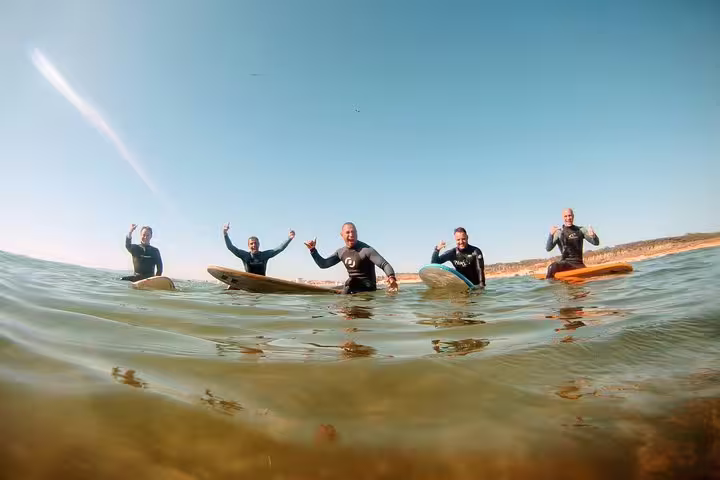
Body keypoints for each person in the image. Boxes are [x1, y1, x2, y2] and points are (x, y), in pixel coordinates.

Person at [304, 222, 398, 294]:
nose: (351, 235)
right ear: (342, 235)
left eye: (353, 232)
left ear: (357, 233)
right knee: (344, 285)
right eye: (348, 232)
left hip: (368, 288)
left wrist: (391, 278)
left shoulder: (366, 250)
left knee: (350, 282)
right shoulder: (341, 252)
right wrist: (313, 250)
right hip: (352, 287)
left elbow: (384, 264)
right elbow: (323, 264)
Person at [545, 208, 600, 278]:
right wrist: (551, 235)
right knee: (552, 267)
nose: (568, 218)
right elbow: (548, 248)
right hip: (565, 264)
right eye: (565, 216)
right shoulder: (559, 232)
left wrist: (594, 236)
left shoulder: (581, 230)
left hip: (579, 264)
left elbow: (596, 243)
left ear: (573, 216)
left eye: (570, 215)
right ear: (563, 217)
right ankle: (551, 286)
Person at [223, 223, 295, 276]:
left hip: (261, 281)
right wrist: (225, 233)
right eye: (251, 243)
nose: (254, 245)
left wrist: (290, 238)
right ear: (248, 245)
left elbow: (280, 248)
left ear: (259, 244)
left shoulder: (265, 255)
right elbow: (230, 247)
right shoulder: (245, 255)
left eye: (256, 243)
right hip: (249, 281)